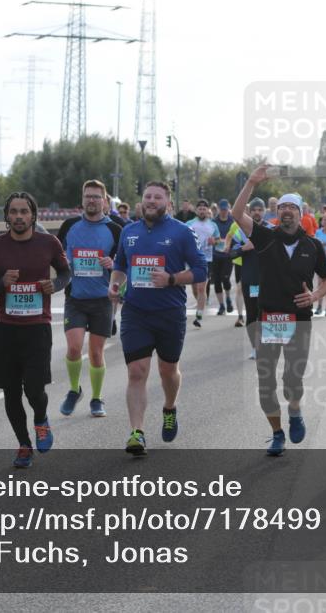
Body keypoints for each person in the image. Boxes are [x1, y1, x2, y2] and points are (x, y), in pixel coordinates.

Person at [231, 167, 326, 456]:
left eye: (292, 207)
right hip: (269, 319)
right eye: (282, 207)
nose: (287, 210)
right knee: (266, 382)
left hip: (299, 320)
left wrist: (314, 295)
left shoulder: (313, 246)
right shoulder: (265, 237)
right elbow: (238, 214)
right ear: (277, 213)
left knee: (292, 380)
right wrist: (251, 183)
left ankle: (295, 411)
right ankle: (277, 433)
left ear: (301, 214)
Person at [108, 181, 207, 456]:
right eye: (147, 196)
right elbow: (120, 265)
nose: (151, 201)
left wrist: (171, 279)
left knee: (168, 370)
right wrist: (114, 284)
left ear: (168, 203)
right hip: (135, 312)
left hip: (169, 313)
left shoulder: (182, 232)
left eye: (157, 197)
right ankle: (137, 433)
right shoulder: (129, 232)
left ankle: (170, 407)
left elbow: (201, 270)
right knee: (137, 371)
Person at [0, 192, 71, 468]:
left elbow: (65, 273)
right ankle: (23, 445)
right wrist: (1, 283)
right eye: (14, 212)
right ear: (7, 216)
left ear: (33, 215)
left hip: (37, 327)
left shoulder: (48, 243)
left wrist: (55, 285)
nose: (19, 217)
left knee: (34, 388)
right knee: (11, 391)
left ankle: (41, 420)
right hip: (6, 329)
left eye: (24, 212)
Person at [56, 180, 124, 418]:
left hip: (102, 300)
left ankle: (97, 398)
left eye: (96, 197)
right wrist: (63, 264)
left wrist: (112, 263)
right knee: (74, 348)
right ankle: (74, 390)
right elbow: (56, 254)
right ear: (82, 199)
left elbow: (125, 263)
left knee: (96, 353)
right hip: (75, 298)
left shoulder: (115, 229)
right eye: (88, 196)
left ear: (104, 201)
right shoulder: (70, 225)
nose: (91, 200)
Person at [225, 198, 272, 354]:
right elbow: (230, 254)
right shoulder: (240, 232)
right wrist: (245, 248)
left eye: (260, 210)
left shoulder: (271, 229)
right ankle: (255, 347)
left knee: (267, 314)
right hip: (251, 280)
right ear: (249, 212)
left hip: (269, 281)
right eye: (254, 210)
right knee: (252, 314)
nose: (257, 213)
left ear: (264, 211)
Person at [186, 199, 219, 328]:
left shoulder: (213, 225)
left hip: (207, 259)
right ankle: (200, 302)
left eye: (204, 209)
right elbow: (183, 237)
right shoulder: (189, 224)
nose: (202, 211)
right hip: (192, 259)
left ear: (207, 210)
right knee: (195, 288)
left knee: (201, 288)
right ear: (196, 211)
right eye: (200, 209)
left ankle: (199, 315)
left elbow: (218, 239)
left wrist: (214, 241)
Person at [209, 199, 236, 315]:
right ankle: (221, 306)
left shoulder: (233, 221)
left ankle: (228, 298)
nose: (224, 212)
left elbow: (237, 236)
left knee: (225, 279)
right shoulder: (213, 222)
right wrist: (213, 241)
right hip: (215, 255)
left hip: (228, 255)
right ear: (219, 209)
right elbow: (209, 237)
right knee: (217, 281)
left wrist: (230, 244)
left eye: (226, 209)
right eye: (222, 210)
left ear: (228, 209)